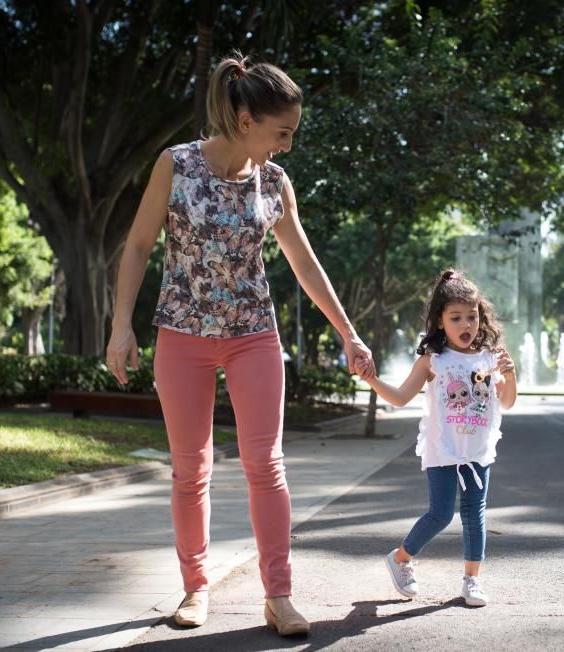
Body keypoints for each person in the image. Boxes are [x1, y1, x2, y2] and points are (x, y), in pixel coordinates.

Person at [105, 52, 375, 636]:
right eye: (283, 132)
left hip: (253, 335)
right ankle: (195, 588)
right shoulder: (175, 165)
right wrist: (121, 324)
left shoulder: (274, 181)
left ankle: (279, 597)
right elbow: (138, 245)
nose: (288, 145)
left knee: (266, 465)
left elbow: (303, 263)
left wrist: (348, 332)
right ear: (246, 119)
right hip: (181, 335)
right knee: (190, 470)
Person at [361, 269, 517, 607]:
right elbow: (401, 397)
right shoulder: (434, 359)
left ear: (481, 317)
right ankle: (401, 558)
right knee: (441, 514)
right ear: (440, 320)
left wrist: (509, 374)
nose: (466, 325)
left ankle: (472, 581)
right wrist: (371, 380)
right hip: (442, 449)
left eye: (472, 317)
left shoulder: (490, 358)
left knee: (475, 514)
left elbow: (506, 402)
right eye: (456, 317)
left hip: (477, 452)